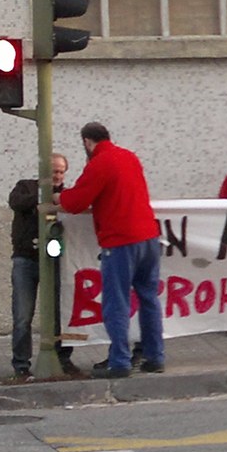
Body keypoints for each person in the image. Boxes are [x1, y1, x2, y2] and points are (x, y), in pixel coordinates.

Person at [57, 123, 164, 379]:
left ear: (87, 142)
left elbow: (76, 202)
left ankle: (119, 361)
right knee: (149, 298)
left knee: (116, 302)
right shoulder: (129, 156)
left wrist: (58, 198)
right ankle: (155, 356)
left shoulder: (99, 163)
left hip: (120, 241)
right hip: (148, 237)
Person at [8, 154, 81, 380]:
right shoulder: (26, 187)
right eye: (53, 172)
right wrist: (42, 197)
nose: (57, 176)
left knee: (61, 312)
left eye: (60, 172)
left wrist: (60, 200)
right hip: (26, 258)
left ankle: (63, 357)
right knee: (22, 315)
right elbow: (15, 202)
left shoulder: (67, 195)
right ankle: (21, 364)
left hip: (54, 260)